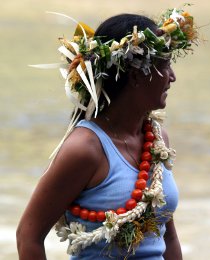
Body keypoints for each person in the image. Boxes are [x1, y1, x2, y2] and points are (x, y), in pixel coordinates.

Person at [17, 8, 199, 260]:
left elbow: (167, 236)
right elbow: (28, 235)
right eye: (165, 66)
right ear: (136, 76)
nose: (172, 77)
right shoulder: (85, 149)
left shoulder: (157, 140)